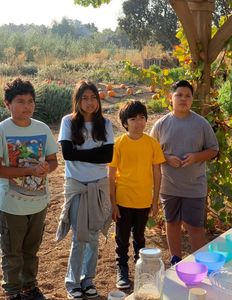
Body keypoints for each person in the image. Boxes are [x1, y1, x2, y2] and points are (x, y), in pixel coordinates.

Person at [0, 78, 58, 300]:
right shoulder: (3, 130)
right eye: (20, 101)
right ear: (7, 103)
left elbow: (53, 161)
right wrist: (28, 172)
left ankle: (29, 287)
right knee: (12, 252)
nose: (27, 106)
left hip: (39, 201)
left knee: (31, 251)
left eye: (31, 101)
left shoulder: (41, 128)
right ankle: (13, 291)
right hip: (11, 203)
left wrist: (46, 168)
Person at [150, 80, 219, 266]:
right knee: (171, 223)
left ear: (192, 100)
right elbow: (151, 152)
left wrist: (196, 157)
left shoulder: (201, 124)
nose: (183, 99)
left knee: (195, 226)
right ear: (170, 98)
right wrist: (166, 158)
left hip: (194, 186)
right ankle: (176, 260)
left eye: (188, 96)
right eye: (179, 95)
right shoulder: (161, 125)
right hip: (169, 185)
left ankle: (202, 263)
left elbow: (213, 150)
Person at [56, 81, 114, 300]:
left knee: (93, 235)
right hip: (77, 185)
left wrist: (81, 154)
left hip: (99, 184)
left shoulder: (106, 124)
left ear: (98, 101)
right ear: (78, 101)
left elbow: (107, 157)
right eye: (84, 98)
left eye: (93, 98)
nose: (89, 102)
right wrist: (94, 155)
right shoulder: (67, 122)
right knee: (79, 235)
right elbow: (67, 154)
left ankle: (88, 279)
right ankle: (73, 282)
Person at [108, 100, 165, 289]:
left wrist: (155, 201)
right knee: (122, 238)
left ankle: (141, 270)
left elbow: (157, 173)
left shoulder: (152, 143)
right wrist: (113, 203)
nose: (138, 122)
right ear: (125, 123)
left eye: (142, 117)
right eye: (133, 119)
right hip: (123, 200)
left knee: (140, 237)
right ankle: (122, 269)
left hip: (143, 201)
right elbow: (111, 175)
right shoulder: (119, 144)